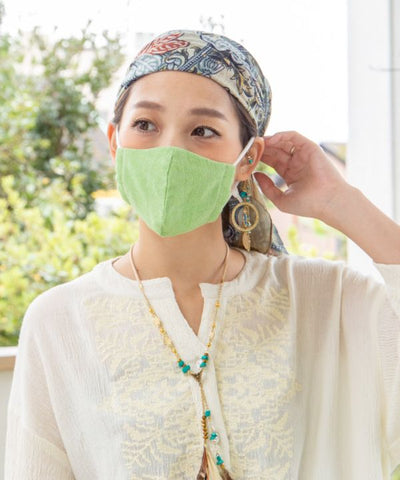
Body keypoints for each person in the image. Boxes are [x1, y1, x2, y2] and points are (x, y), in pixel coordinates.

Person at [4, 29, 400, 480]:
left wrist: (341, 202)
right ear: (114, 142)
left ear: (248, 159)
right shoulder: (58, 321)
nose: (170, 151)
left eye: (203, 131)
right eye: (145, 125)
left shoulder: (326, 300)